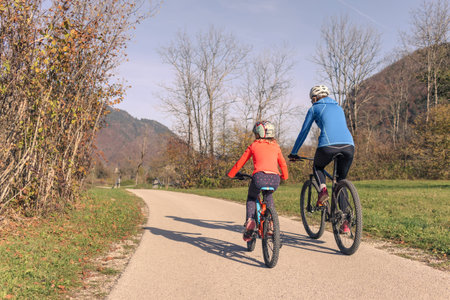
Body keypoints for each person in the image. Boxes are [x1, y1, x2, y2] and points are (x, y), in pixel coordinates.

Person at [288, 85, 354, 233]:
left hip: (328, 145)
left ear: (314, 98)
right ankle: (345, 223)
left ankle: (323, 190)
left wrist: (294, 152)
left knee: (318, 167)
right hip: (349, 146)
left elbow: (304, 132)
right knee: (340, 181)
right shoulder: (339, 108)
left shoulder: (314, 108)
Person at [228, 121, 289, 242]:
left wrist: (231, 174)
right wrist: (284, 176)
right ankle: (271, 224)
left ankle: (250, 221)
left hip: (259, 177)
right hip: (275, 179)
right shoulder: (276, 146)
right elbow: (283, 163)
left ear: (258, 134)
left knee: (251, 197)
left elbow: (241, 161)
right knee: (268, 196)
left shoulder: (254, 145)